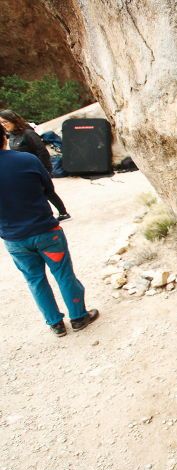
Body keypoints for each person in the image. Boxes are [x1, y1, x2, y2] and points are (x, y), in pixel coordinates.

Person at [0, 122, 98, 336]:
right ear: (4, 137)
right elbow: (48, 188)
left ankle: (55, 324)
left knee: (35, 281)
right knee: (63, 274)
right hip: (46, 231)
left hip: (14, 239)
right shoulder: (26, 160)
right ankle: (79, 317)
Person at [0, 109, 71, 221]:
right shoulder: (12, 136)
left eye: (5, 122)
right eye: (1, 123)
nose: (3, 125)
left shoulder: (28, 133)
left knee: (48, 192)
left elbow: (42, 151)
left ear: (13, 120)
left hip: (36, 168)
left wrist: (46, 170)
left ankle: (63, 213)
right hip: (24, 171)